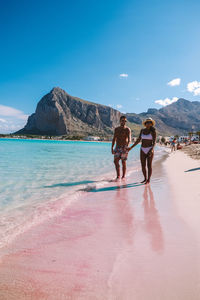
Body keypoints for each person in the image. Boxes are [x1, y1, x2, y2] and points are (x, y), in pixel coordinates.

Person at [128, 117, 156, 184]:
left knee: (149, 165)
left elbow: (154, 142)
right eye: (147, 122)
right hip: (142, 149)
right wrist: (131, 147)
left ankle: (148, 180)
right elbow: (138, 140)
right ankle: (145, 179)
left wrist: (151, 150)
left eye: (150, 123)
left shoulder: (153, 132)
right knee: (143, 165)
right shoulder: (142, 130)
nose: (148, 124)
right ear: (145, 124)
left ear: (151, 124)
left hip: (150, 149)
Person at [111, 116, 131, 180]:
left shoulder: (127, 129)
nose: (124, 122)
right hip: (117, 147)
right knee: (115, 161)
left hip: (124, 147)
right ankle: (118, 176)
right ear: (120, 121)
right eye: (122, 120)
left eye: (125, 121)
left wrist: (127, 146)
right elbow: (114, 139)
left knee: (123, 162)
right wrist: (112, 148)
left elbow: (129, 139)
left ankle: (123, 176)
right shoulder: (116, 129)